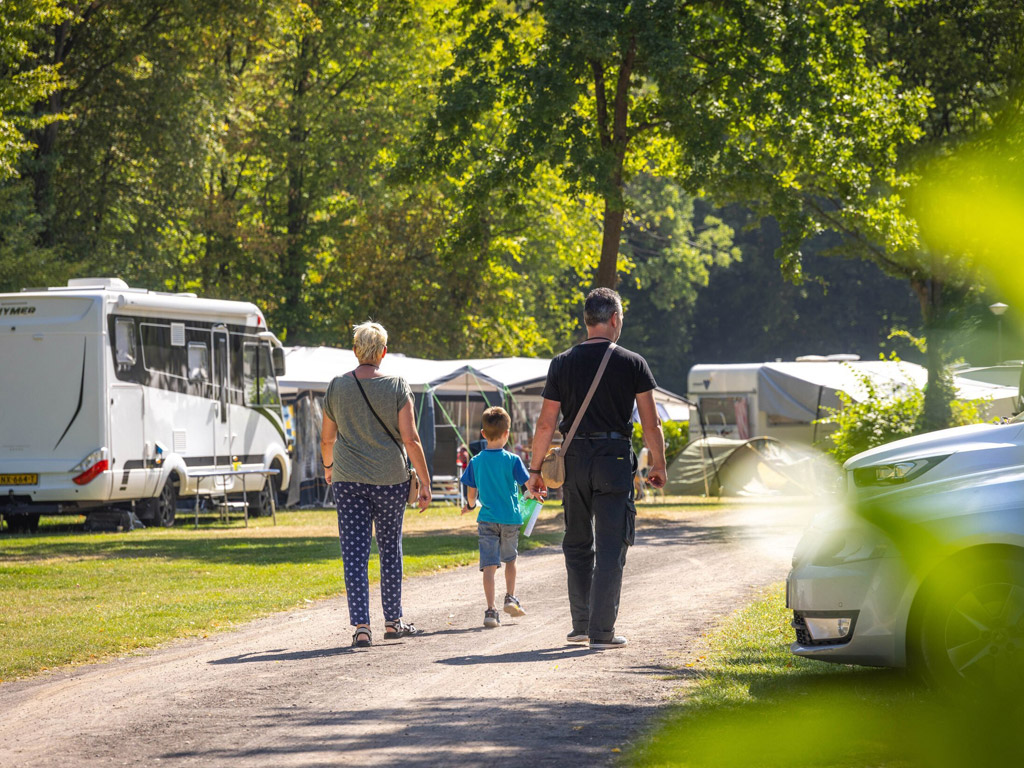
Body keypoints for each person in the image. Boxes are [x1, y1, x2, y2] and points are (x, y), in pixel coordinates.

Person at [526, 287, 667, 650]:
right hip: (614, 459)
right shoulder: (632, 362)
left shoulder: (561, 363)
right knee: (610, 545)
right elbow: (651, 425)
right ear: (615, 319)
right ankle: (601, 633)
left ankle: (580, 626)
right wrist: (659, 466)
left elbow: (545, 424)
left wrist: (535, 470)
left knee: (576, 542)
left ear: (587, 320)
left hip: (573, 461)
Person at [321, 321, 432, 648]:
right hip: (390, 480)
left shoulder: (336, 387)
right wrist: (425, 482)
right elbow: (410, 439)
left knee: (354, 553)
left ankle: (361, 627)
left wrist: (329, 468)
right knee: (390, 550)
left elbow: (327, 438)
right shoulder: (397, 386)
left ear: (356, 351)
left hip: (348, 479)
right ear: (383, 352)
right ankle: (394, 621)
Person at [460, 406, 531, 628]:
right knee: (510, 559)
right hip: (510, 518)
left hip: (487, 519)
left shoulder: (476, 461)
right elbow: (526, 486)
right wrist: (535, 493)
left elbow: (471, 493)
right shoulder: (513, 460)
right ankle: (510, 597)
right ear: (507, 433)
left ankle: (490, 611)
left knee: (489, 566)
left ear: (483, 434)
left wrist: (471, 506)